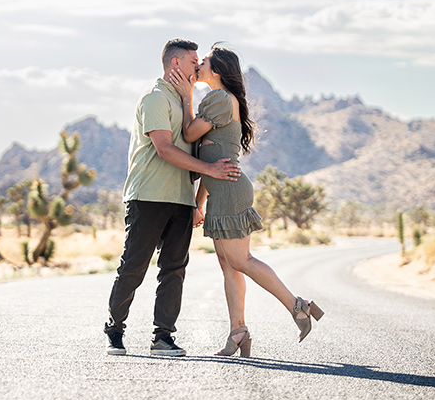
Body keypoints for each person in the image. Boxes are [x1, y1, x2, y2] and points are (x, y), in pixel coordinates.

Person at [168, 45, 324, 357]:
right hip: (220, 192)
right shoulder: (219, 99)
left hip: (230, 192)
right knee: (229, 265)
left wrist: (186, 97)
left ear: (218, 71)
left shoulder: (221, 99)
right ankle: (238, 331)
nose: (198, 65)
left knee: (240, 260)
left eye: (205, 62)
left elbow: (188, 135)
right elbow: (214, 161)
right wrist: (200, 203)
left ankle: (299, 307)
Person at [104, 39, 242, 357]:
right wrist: (209, 168)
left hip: (181, 199)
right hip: (148, 197)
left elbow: (198, 142)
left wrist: (197, 200)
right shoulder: (154, 99)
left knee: (174, 269)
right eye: (195, 61)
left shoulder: (184, 102)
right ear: (176, 64)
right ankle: (115, 327)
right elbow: (164, 149)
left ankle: (162, 337)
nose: (199, 65)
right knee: (134, 266)